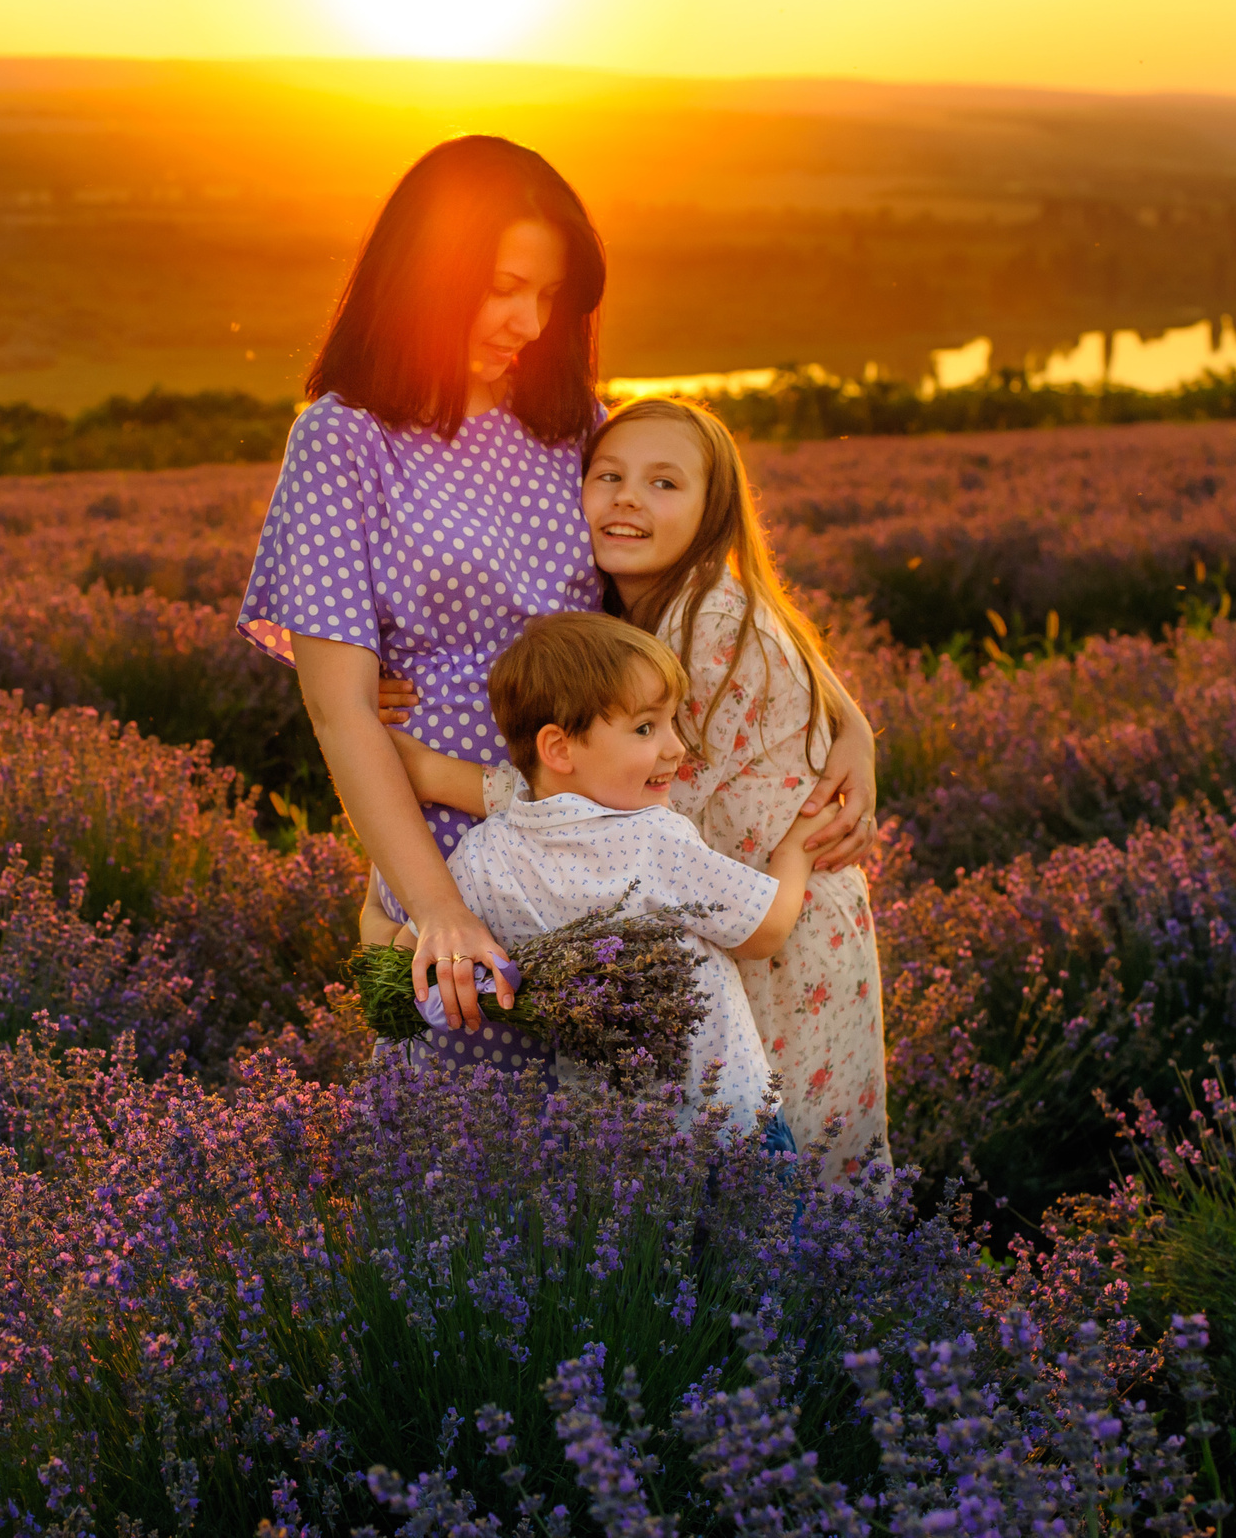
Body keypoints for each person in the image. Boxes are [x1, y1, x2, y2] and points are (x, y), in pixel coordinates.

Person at [237, 134, 883, 1066]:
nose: (530, 322)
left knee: (625, 1121)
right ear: (424, 275)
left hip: (603, 834)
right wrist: (438, 909)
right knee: (462, 1112)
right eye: (504, 287)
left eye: (547, 296)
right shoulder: (343, 440)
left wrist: (846, 717)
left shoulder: (568, 421)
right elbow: (340, 714)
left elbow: (702, 566)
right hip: (447, 842)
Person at [392, 398, 894, 1178]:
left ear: (712, 510)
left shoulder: (707, 625)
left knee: (787, 1182)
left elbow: (614, 816)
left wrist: (424, 770)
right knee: (739, 1183)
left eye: (664, 483)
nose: (628, 498)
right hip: (727, 909)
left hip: (779, 932)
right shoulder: (651, 610)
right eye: (608, 476)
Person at [415, 613, 832, 1135]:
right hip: (725, 1121)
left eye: (671, 722)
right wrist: (796, 850)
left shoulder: (482, 854)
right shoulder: (653, 838)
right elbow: (765, 930)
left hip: (610, 1143)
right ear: (559, 748)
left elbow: (418, 948)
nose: (676, 748)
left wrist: (373, 921)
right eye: (645, 728)